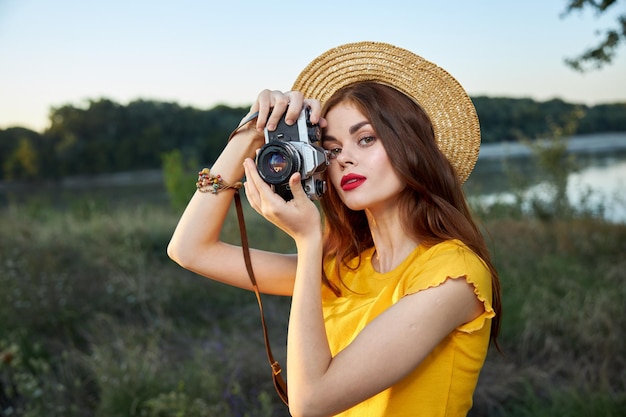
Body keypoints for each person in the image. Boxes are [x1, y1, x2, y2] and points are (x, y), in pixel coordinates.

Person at [168, 41, 502, 417]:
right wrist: (250, 133)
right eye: (331, 148)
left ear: (412, 147)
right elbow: (189, 249)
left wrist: (308, 241)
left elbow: (310, 402)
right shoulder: (345, 265)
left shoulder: (453, 276)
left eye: (366, 138)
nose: (344, 159)